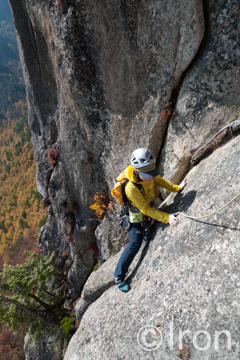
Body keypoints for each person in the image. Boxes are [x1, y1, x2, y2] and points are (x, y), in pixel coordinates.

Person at [114, 147, 187, 292]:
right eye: (146, 174)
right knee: (135, 243)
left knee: (147, 229)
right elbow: (145, 210)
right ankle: (119, 276)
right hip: (135, 216)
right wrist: (167, 218)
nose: (150, 177)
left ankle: (147, 229)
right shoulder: (131, 188)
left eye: (151, 173)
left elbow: (160, 181)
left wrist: (177, 188)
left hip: (147, 209)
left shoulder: (149, 173)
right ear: (137, 171)